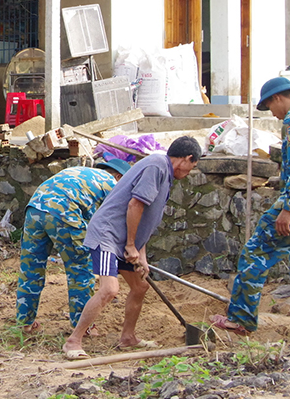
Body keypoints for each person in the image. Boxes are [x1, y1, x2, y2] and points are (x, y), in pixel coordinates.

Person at [210, 77, 290, 339]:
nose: (273, 114)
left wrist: (289, 209)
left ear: (278, 98)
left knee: (254, 254)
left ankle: (240, 319)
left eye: (270, 107)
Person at [62, 136, 202, 359]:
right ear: (187, 158)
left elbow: (145, 218)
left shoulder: (165, 174)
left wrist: (141, 255)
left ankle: (128, 338)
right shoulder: (157, 166)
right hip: (108, 234)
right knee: (109, 290)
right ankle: (73, 341)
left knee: (140, 287)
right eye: (191, 167)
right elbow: (134, 204)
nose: (188, 172)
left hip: (125, 239)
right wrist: (129, 245)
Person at [16, 159, 132, 334]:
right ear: (119, 176)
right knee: (81, 269)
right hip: (63, 211)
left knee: (31, 267)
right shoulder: (112, 184)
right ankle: (83, 327)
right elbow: (112, 222)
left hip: (35, 209)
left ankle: (24, 323)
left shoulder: (83, 174)